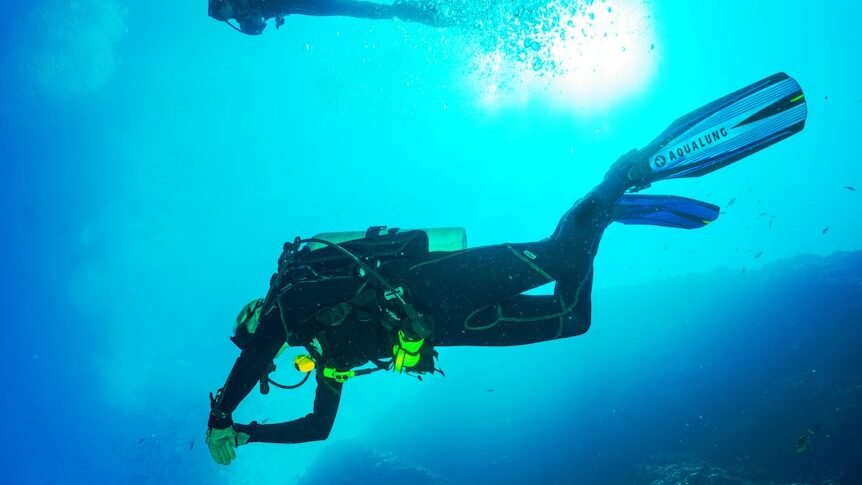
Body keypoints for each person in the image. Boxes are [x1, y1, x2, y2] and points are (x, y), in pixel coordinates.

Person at [206, 72, 808, 465]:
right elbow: (318, 427)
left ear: (259, 310)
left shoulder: (294, 293)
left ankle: (617, 180)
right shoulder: (326, 350)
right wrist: (247, 433)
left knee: (562, 255)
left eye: (251, 324)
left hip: (435, 281)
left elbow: (255, 354)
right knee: (573, 319)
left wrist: (219, 415)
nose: (261, 338)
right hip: (449, 328)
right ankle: (604, 215)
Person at [208, 0, 450, 35]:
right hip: (301, 4)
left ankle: (421, 13)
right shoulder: (242, 16)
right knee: (353, 9)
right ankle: (422, 13)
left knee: (353, 8)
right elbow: (255, 29)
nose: (229, 8)